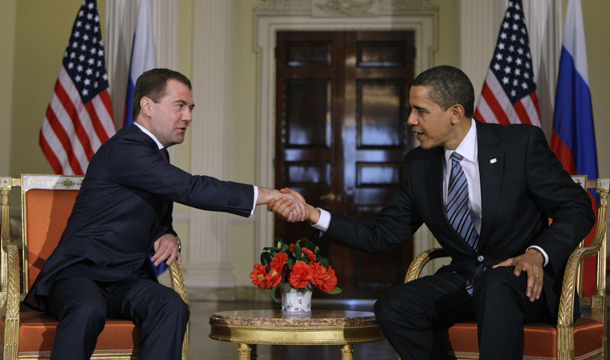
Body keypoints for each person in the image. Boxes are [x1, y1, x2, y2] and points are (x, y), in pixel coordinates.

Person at [269, 65, 595, 360]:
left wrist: (537, 254)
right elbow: (381, 235)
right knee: (393, 307)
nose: (411, 120)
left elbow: (577, 207)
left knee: (495, 285)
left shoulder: (519, 144)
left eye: (420, 111)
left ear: (455, 112)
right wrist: (313, 214)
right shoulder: (420, 165)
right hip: (465, 279)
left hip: (522, 283)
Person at [24, 68, 308, 360]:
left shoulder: (154, 153)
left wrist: (166, 234)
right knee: (87, 309)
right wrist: (268, 194)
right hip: (78, 274)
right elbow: (190, 188)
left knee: (170, 305)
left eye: (191, 108)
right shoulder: (126, 148)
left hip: (124, 279)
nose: (188, 117)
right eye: (180, 106)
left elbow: (149, 210)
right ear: (147, 106)